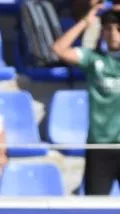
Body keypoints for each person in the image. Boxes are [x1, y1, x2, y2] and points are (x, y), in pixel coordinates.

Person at [52, 3, 120, 195]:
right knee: (95, 208)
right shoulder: (94, 60)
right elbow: (59, 48)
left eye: (119, 29)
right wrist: (85, 22)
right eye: (108, 29)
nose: (113, 34)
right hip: (99, 147)